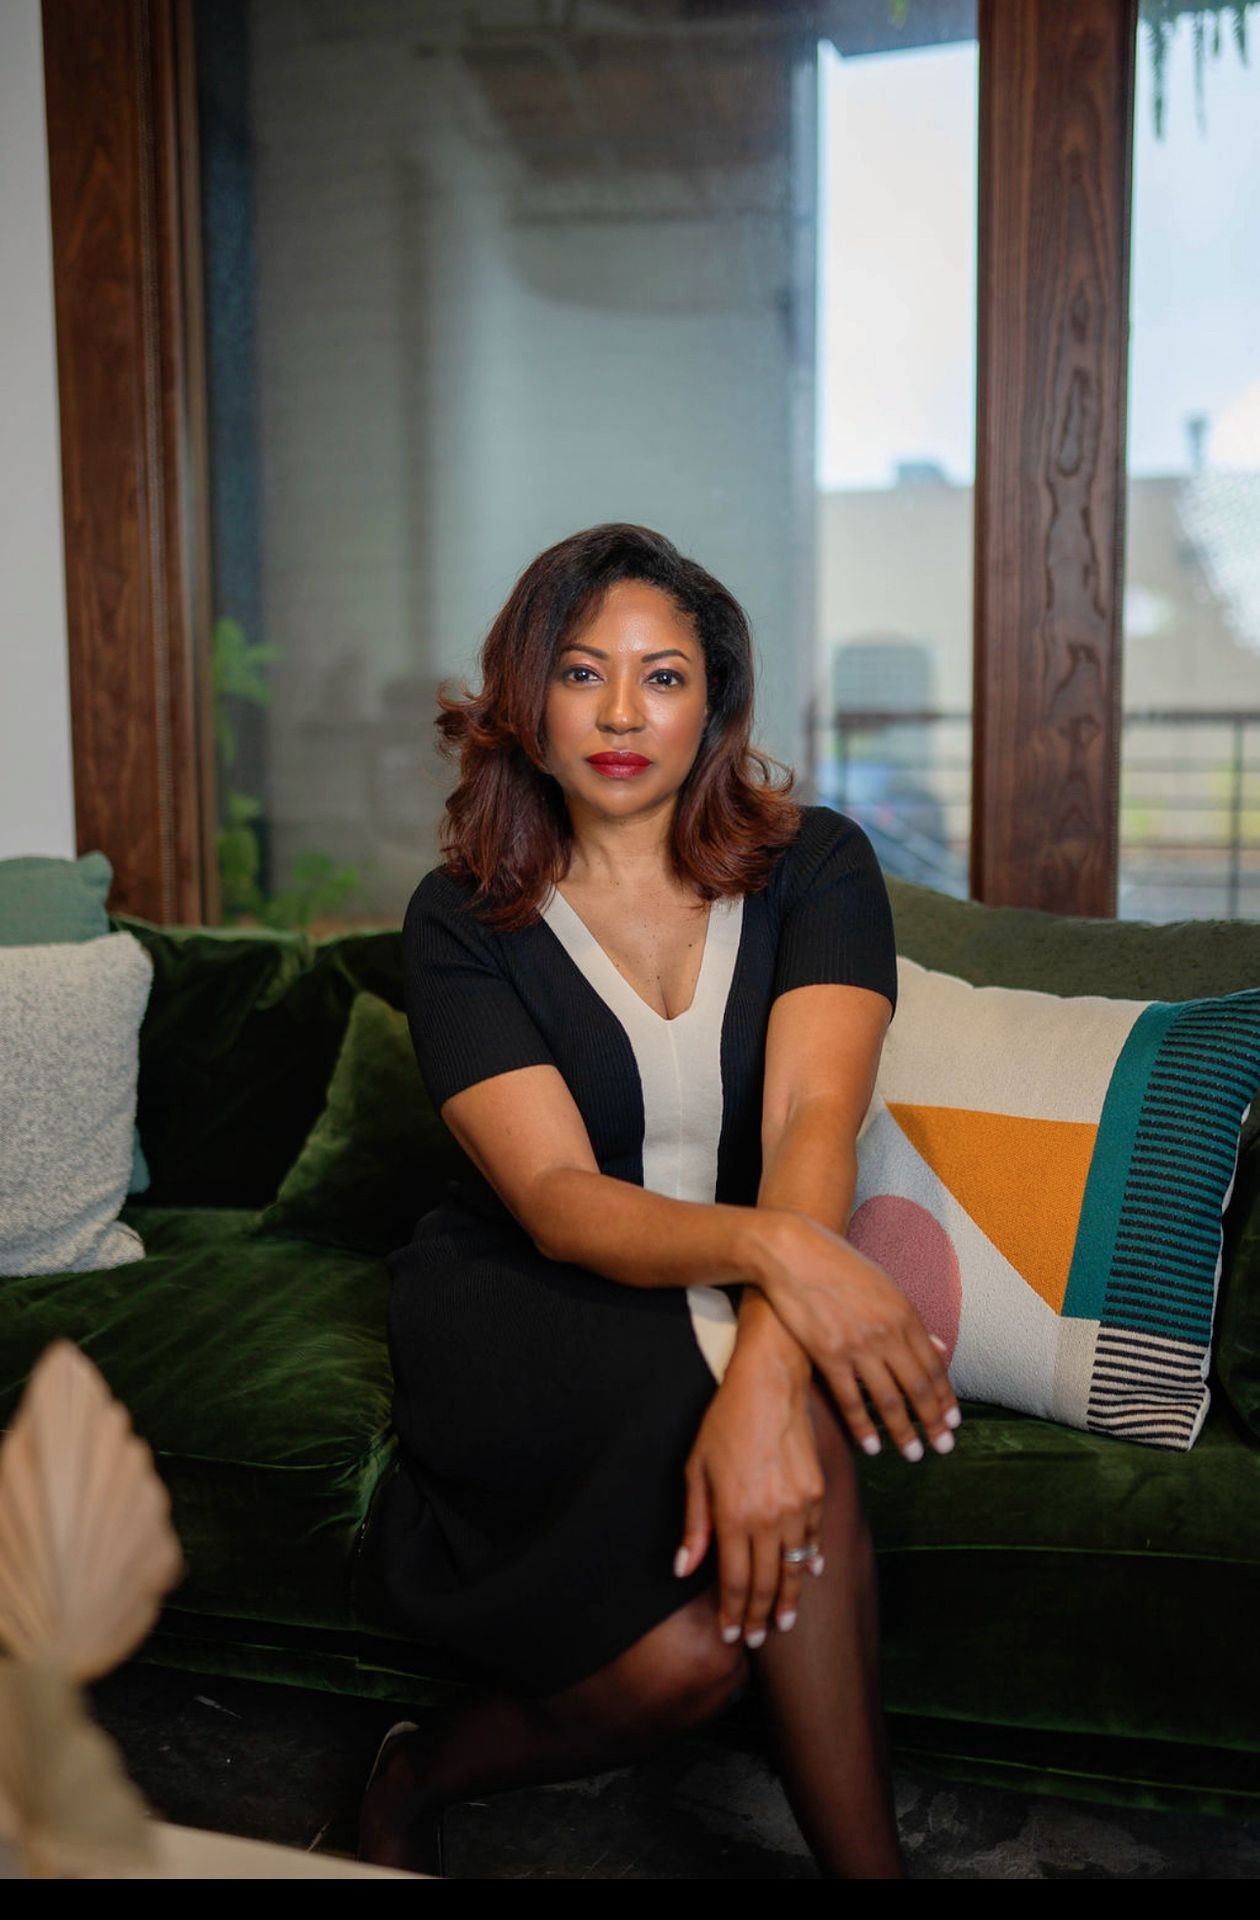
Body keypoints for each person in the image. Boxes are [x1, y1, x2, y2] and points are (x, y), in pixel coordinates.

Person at [357, 523, 960, 1878]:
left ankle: (417, 1769)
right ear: (529, 699)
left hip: (734, 1285)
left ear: (715, 702)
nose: (624, 715)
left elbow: (816, 1115)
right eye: (584, 674)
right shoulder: (462, 917)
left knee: (698, 1658)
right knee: (699, 1630)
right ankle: (422, 1774)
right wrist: (783, 1265)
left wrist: (763, 1365)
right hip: (533, 1298)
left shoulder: (822, 864)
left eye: (664, 677)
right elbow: (561, 1198)